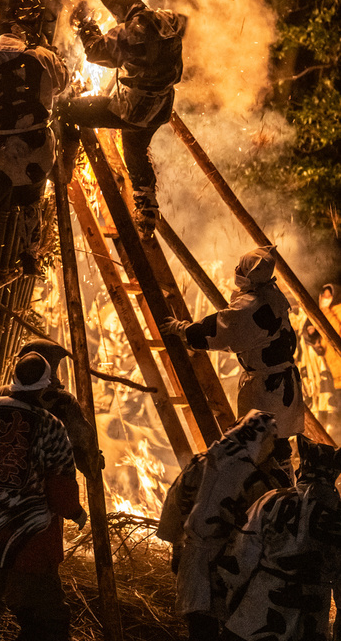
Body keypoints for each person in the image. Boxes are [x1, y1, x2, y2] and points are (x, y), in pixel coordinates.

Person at [0, 351, 87, 641]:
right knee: (49, 611)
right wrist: (75, 511)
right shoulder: (51, 425)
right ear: (46, 385)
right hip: (31, 535)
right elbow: (60, 482)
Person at [62, 0, 187, 237]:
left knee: (67, 110)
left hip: (134, 109)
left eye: (117, 14)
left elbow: (97, 52)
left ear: (123, 11)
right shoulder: (169, 19)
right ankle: (146, 201)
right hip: (161, 107)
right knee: (135, 148)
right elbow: (184, 24)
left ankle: (65, 163)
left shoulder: (132, 30)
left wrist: (85, 24)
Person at [157, 409, 290, 641]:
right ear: (262, 439)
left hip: (193, 559)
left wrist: (177, 548)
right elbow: (258, 527)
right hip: (228, 566)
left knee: (200, 628)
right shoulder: (253, 478)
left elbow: (175, 505)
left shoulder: (201, 462)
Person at [0, 18, 69, 278]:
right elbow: (62, 84)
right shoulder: (42, 55)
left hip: (3, 150)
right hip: (39, 147)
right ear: (20, 33)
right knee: (31, 200)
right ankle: (30, 255)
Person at [163, 246, 305, 446]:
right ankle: (280, 475)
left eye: (241, 267)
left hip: (267, 387)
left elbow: (221, 330)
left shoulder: (251, 306)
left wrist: (182, 329)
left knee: (261, 446)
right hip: (281, 382)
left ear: (249, 274)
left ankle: (268, 476)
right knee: (275, 442)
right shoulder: (271, 294)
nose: (236, 269)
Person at [219, 435, 341, 641]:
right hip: (310, 619)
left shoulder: (273, 500)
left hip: (260, 609)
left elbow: (241, 557)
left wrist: (229, 599)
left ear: (301, 469)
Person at [0, 338, 103, 478]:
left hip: (5, 479)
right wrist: (93, 462)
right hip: (43, 485)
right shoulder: (63, 402)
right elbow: (83, 444)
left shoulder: (2, 395)